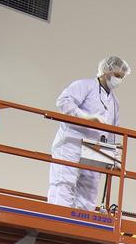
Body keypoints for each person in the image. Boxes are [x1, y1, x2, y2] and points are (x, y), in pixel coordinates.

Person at [48, 56, 129, 210]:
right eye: (117, 76)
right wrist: (85, 118)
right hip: (73, 141)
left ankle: (83, 223)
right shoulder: (84, 86)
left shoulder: (114, 103)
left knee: (89, 188)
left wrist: (114, 158)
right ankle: (58, 216)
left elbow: (113, 132)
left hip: (95, 148)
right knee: (64, 181)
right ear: (106, 71)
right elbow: (64, 102)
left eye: (121, 77)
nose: (118, 80)